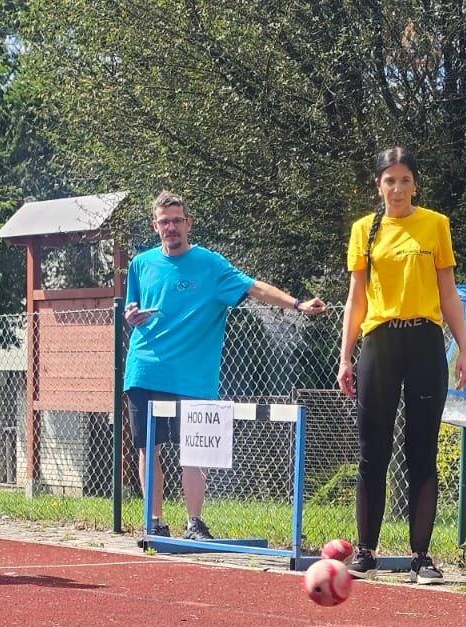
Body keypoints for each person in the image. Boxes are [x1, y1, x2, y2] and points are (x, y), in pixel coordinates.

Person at [124, 191, 326, 540]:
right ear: (155, 226)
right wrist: (131, 315)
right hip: (145, 369)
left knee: (194, 449)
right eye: (164, 222)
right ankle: (153, 523)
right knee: (148, 447)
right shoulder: (141, 264)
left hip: (193, 377)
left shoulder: (211, 265)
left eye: (176, 221)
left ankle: (194, 523)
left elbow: (255, 288)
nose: (170, 227)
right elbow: (132, 308)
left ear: (188, 223)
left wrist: (297, 304)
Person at [338, 146, 466, 585]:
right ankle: (366, 551)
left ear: (415, 184)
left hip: (425, 342)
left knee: (422, 451)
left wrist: (464, 348)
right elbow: (356, 298)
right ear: (378, 185)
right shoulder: (364, 230)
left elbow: (448, 292)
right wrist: (346, 355)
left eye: (405, 180)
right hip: (379, 342)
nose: (397, 188)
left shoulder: (435, 225)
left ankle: (421, 557)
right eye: (389, 180)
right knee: (372, 451)